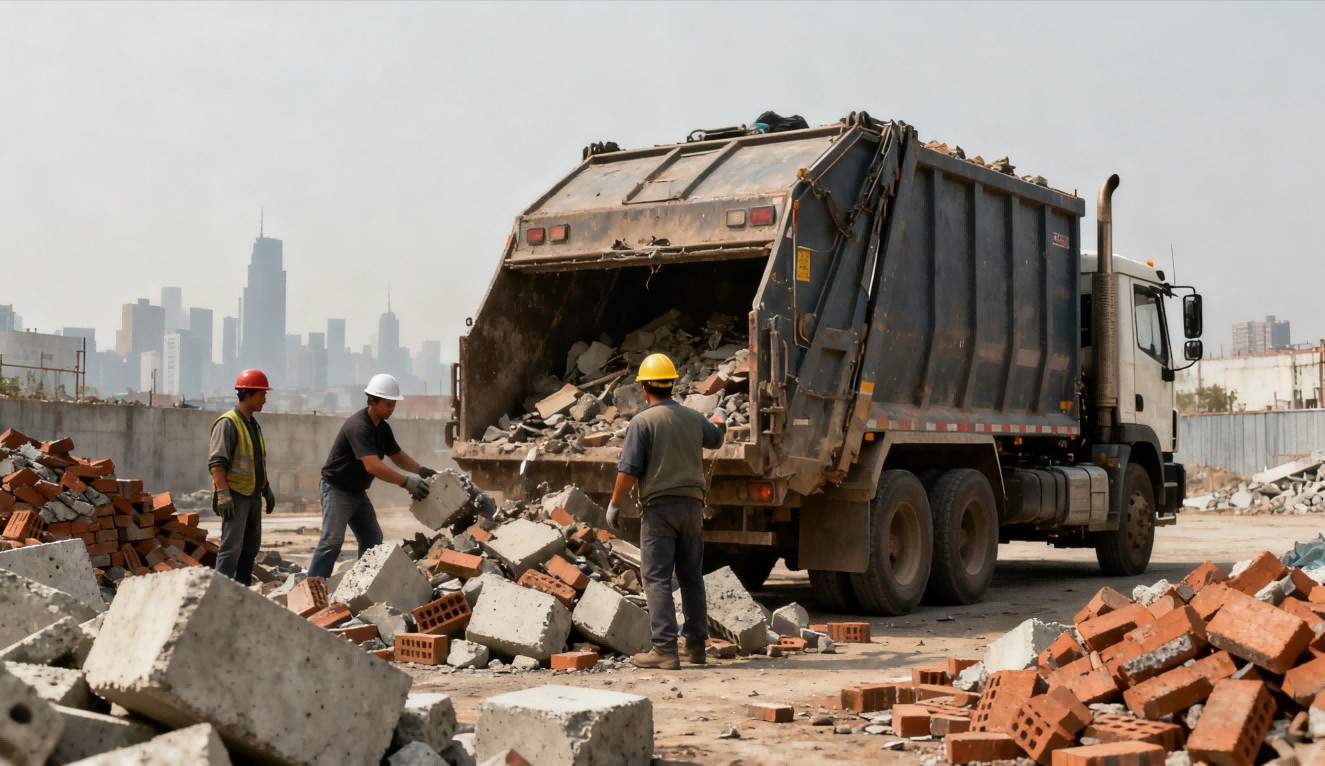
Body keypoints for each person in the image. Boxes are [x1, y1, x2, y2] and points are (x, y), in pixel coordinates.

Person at [608, 352, 727, 670]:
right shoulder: (693, 418)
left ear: (645, 388)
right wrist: (721, 419)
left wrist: (614, 505)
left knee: (657, 577)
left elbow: (628, 470)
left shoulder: (641, 423)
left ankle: (664, 650)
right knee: (691, 576)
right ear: (672, 385)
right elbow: (715, 440)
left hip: (659, 511)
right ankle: (697, 647)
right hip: (692, 509)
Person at [307, 373, 436, 579]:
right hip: (337, 490)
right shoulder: (359, 427)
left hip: (357, 492)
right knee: (332, 540)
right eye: (387, 404)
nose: (391, 409)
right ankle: (313, 587)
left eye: (393, 404)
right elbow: (373, 466)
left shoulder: (382, 428)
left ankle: (362, 584)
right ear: (372, 401)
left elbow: (398, 456)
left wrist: (422, 471)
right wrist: (406, 482)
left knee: (372, 539)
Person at [208, 368, 276, 585]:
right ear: (247, 394)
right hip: (236, 497)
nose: (265, 399)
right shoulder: (228, 423)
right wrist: (223, 494)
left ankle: (242, 589)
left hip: (253, 496)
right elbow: (217, 462)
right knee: (231, 547)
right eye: (262, 394)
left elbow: (256, 462)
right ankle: (220, 593)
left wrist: (266, 490)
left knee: (250, 547)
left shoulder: (253, 425)